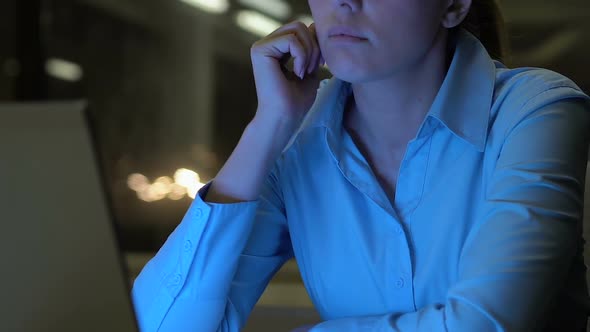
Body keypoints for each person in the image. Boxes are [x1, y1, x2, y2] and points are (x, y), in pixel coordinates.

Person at [131, 0, 590, 331]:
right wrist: (269, 124)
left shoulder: (536, 110)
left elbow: (487, 324)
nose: (344, 3)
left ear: (453, 6)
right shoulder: (298, 143)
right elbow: (162, 325)